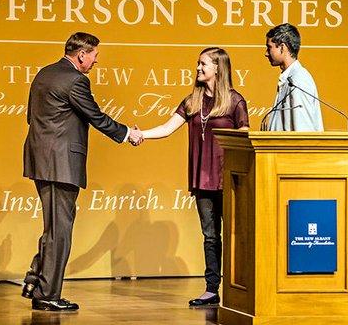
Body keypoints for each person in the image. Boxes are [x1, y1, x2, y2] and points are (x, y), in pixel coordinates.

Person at [21, 32, 143, 311]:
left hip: (41, 159)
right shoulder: (76, 80)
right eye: (94, 57)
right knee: (59, 230)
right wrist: (127, 134)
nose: (95, 62)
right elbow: (95, 116)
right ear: (82, 55)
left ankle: (35, 280)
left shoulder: (44, 73)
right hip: (61, 163)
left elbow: (31, 115)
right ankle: (47, 294)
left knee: (54, 226)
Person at [138, 47, 249, 307]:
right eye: (198, 64)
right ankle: (212, 289)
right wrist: (140, 134)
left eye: (203, 64)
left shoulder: (235, 101)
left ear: (218, 68)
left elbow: (245, 139)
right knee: (210, 236)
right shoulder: (192, 102)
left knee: (236, 235)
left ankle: (240, 287)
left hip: (230, 180)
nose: (198, 68)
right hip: (203, 179)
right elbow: (167, 128)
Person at [264, 23, 323, 131]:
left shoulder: (298, 80)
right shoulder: (290, 78)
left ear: (282, 47)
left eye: (269, 48)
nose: (266, 53)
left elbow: (303, 132)